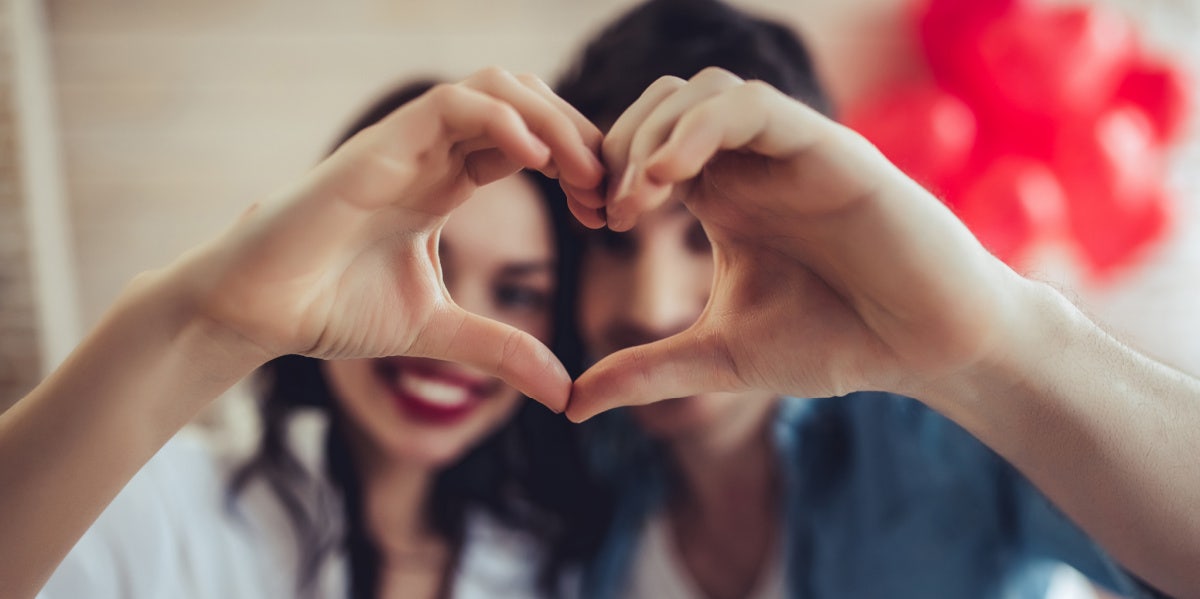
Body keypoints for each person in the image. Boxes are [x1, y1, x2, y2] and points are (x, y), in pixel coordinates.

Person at [552, 1, 1198, 598]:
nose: (652, 305)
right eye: (612, 244)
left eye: (704, 237)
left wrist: (1003, 340)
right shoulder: (570, 471)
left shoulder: (952, 438)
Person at [0, 69, 607, 599]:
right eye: (428, 266)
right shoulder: (151, 504)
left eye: (520, 293)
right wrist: (205, 327)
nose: (454, 335)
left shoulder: (560, 563)